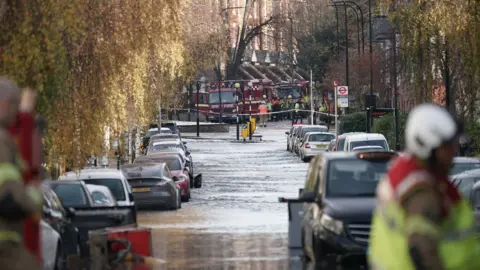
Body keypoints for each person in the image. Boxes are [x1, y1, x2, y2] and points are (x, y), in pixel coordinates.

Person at [369, 103, 480, 270]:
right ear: (427, 146)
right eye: (447, 146)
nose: (453, 151)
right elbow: (421, 249)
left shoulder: (407, 173)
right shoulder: (422, 190)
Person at [0, 78, 42, 269]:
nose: (15, 113)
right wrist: (34, 196)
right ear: (4, 104)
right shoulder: (2, 141)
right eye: (14, 106)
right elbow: (12, 199)